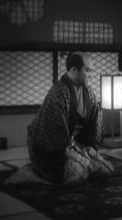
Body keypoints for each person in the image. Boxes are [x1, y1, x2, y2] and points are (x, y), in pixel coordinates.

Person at [27, 52, 113, 184]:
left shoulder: (88, 92)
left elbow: (95, 120)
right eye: (88, 71)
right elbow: (52, 137)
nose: (91, 75)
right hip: (53, 151)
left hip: (77, 145)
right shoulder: (57, 94)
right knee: (77, 173)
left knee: (106, 168)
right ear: (74, 70)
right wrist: (75, 155)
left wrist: (90, 147)